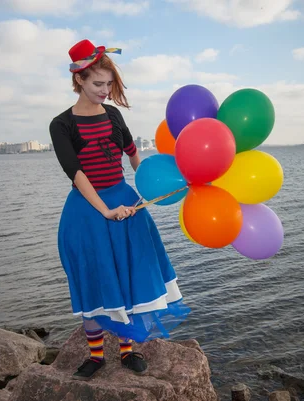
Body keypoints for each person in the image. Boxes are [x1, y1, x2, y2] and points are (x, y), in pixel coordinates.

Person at [49, 39, 190, 381]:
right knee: (93, 279)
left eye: (109, 84)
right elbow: (76, 173)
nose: (105, 90)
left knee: (130, 275)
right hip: (87, 211)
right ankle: (96, 356)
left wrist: (149, 190)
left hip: (127, 204)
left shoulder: (113, 115)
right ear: (78, 80)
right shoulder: (61, 124)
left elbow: (133, 155)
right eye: (98, 83)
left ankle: (127, 351)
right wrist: (106, 211)